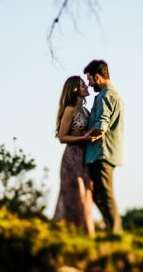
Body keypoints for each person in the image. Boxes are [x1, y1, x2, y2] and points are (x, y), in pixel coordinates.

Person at [52, 75, 96, 236]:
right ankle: (67, 233)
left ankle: (83, 233)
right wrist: (83, 138)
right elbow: (62, 137)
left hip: (85, 158)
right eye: (83, 85)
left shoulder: (85, 110)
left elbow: (83, 130)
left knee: (85, 195)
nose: (87, 87)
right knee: (73, 195)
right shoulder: (70, 110)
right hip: (72, 158)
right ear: (74, 90)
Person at [84, 59, 124, 234]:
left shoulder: (105, 96)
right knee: (98, 194)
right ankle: (111, 229)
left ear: (98, 77)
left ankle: (115, 232)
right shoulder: (114, 94)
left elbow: (101, 126)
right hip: (104, 153)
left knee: (105, 195)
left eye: (90, 79)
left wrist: (82, 138)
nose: (89, 83)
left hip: (102, 154)